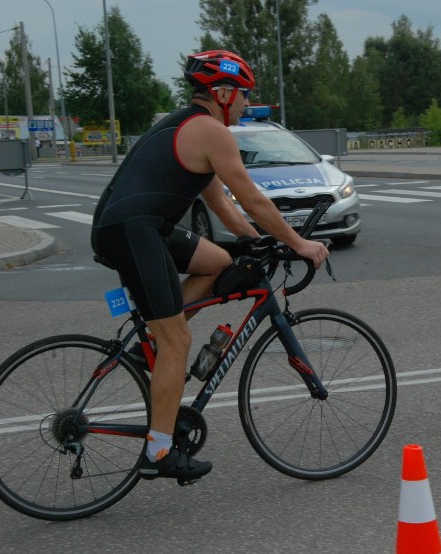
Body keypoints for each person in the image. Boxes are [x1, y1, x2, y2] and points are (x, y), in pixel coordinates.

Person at [91, 50, 329, 481]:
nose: (245, 104)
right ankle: (158, 454)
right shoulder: (210, 133)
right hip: (132, 231)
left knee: (217, 260)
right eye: (242, 95)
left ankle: (158, 338)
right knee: (178, 340)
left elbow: (225, 207)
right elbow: (255, 198)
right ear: (221, 93)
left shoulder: (194, 128)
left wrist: (258, 244)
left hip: (137, 227)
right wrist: (297, 243)